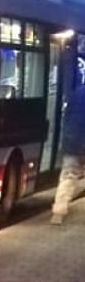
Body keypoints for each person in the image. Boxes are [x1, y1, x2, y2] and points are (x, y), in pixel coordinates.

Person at [50, 80, 85, 225]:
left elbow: (67, 118)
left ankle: (58, 212)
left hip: (71, 143)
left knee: (68, 176)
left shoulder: (76, 93)